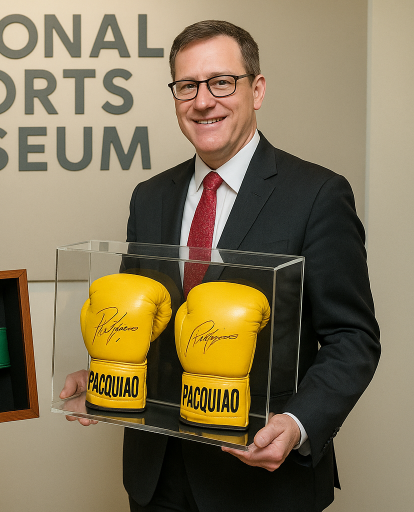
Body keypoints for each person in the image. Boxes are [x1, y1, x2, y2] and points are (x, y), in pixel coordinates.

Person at [61, 20, 380, 511]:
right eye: (187, 85)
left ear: (257, 90)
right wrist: (106, 372)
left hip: (261, 482)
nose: (203, 101)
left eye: (220, 82)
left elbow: (352, 338)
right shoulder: (149, 198)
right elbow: (142, 322)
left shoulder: (317, 195)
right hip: (157, 476)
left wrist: (297, 425)